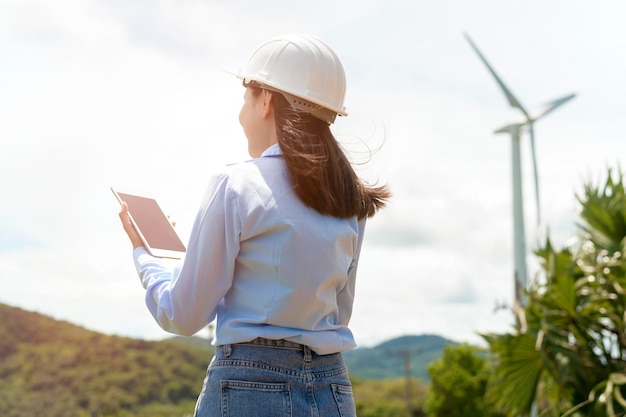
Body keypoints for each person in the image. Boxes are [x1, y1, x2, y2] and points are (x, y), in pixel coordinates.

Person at [118, 33, 390, 417]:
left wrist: (145, 258)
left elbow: (182, 314)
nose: (242, 111)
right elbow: (338, 315)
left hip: (249, 387)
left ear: (265, 99)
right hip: (333, 388)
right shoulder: (350, 200)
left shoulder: (234, 184)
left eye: (246, 96)